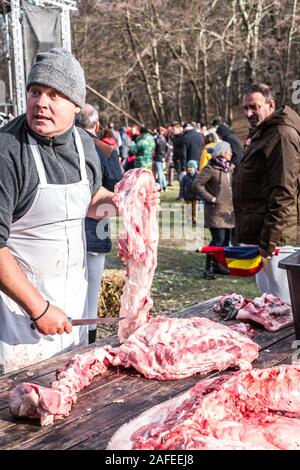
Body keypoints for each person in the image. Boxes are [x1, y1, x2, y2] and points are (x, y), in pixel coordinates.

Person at [0, 48, 160, 374]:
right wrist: (38, 308)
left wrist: (125, 203)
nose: (41, 102)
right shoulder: (7, 153)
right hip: (16, 316)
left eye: (54, 94)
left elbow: (87, 200)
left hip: (70, 307)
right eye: (35, 92)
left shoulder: (84, 145)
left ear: (76, 105)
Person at [233, 82, 300, 300]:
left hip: (277, 239)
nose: (248, 113)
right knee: (270, 301)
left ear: (270, 105)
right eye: (245, 108)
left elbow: (284, 192)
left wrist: (269, 240)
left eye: (254, 107)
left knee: (284, 303)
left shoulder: (281, 135)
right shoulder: (263, 133)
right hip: (261, 233)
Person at [75, 104, 123, 344]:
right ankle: (87, 345)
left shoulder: (62, 144)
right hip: (94, 229)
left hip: (74, 229)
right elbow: (118, 191)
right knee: (90, 296)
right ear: (96, 125)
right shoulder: (105, 150)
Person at [193, 141, 235, 279]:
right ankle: (208, 268)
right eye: (229, 151)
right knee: (218, 240)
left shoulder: (230, 168)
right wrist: (211, 198)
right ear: (223, 152)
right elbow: (197, 185)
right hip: (215, 211)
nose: (231, 153)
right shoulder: (211, 168)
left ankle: (217, 265)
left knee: (224, 242)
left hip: (228, 212)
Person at [179, 160, 199, 227]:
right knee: (188, 208)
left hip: (196, 196)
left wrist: (201, 195)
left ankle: (194, 219)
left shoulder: (198, 176)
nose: (190, 169)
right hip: (187, 196)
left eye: (192, 167)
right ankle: (188, 220)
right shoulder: (185, 177)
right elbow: (182, 187)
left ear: (195, 168)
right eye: (188, 167)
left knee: (195, 208)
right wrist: (181, 195)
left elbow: (200, 186)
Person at [153, 127, 167, 191]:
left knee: (159, 172)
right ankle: (164, 186)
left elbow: (155, 148)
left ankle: (161, 186)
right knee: (161, 172)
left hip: (158, 157)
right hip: (162, 156)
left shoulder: (156, 139)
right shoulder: (164, 139)